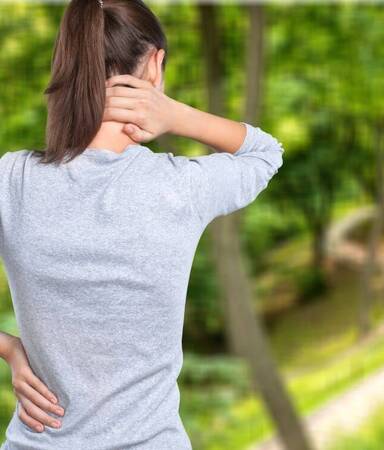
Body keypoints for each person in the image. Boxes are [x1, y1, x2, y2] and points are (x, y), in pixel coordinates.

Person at [0, 0, 284, 448]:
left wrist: (9, 349)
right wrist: (175, 114)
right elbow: (266, 154)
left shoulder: (12, 182)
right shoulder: (181, 187)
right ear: (155, 64)